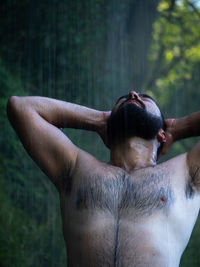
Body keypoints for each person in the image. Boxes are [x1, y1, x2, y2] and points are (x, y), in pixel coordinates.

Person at [7, 91, 200, 267]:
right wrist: (98, 120)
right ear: (106, 132)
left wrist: (179, 127)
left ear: (162, 135)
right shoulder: (76, 167)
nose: (133, 94)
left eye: (145, 98)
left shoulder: (186, 171)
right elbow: (21, 107)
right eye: (122, 99)